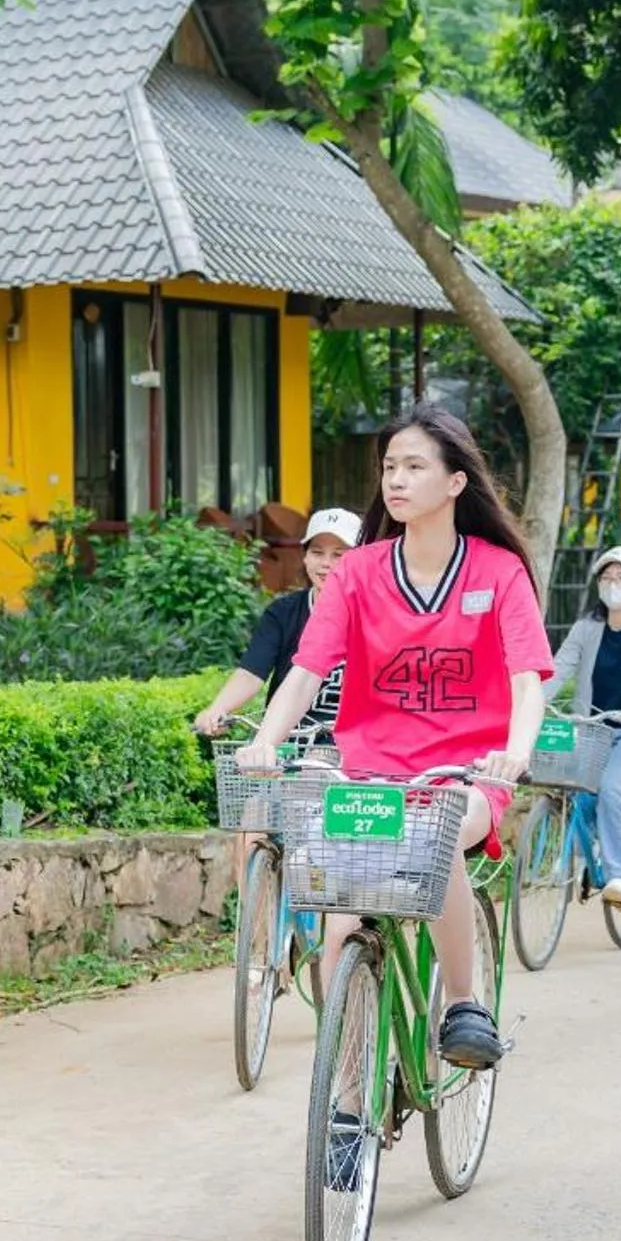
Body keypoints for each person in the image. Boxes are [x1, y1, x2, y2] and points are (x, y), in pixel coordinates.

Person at [239, 405, 552, 1073]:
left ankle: (463, 1004)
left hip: (465, 773)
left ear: (455, 482)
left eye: (415, 466)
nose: (397, 481)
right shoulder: (359, 572)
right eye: (389, 467)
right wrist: (267, 739)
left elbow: (529, 680)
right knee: (341, 920)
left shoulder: (498, 572)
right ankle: (348, 1096)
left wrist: (515, 753)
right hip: (369, 771)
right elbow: (304, 674)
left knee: (437, 842)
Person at [543, 546, 621, 914]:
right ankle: (585, 853)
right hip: (593, 729)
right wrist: (529, 703)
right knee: (575, 791)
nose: (614, 585)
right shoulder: (587, 628)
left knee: (614, 790)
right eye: (607, 578)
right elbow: (559, 668)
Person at [191, 506, 362, 741]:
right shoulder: (283, 613)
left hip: (355, 750)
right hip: (287, 746)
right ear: (304, 557)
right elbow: (251, 673)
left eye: (339, 555)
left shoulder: (376, 615)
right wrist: (217, 709)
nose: (325, 564)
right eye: (317, 552)